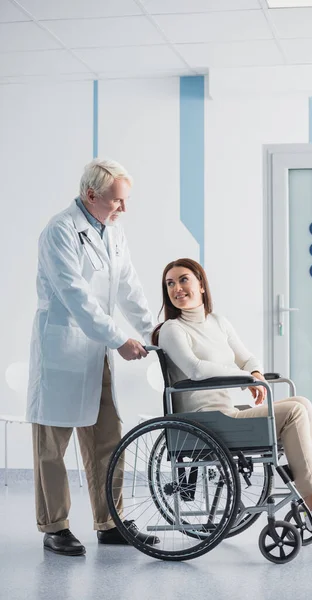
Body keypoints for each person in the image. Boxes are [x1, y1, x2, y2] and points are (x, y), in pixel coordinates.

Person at [153, 258, 312, 522]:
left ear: (201, 285)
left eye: (183, 280)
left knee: (301, 402)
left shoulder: (218, 322)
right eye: (170, 284)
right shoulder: (171, 329)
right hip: (203, 420)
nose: (177, 288)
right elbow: (196, 370)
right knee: (294, 410)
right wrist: (245, 377)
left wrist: (255, 373)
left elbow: (247, 358)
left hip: (225, 414)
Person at [26, 158, 160, 556]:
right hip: (62, 351)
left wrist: (154, 330)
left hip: (95, 352)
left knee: (107, 438)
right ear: (90, 195)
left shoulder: (112, 232)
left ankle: (110, 521)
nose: (124, 209)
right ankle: (55, 526)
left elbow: (128, 286)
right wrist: (120, 338)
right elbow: (76, 297)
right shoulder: (60, 231)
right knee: (52, 446)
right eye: (117, 201)